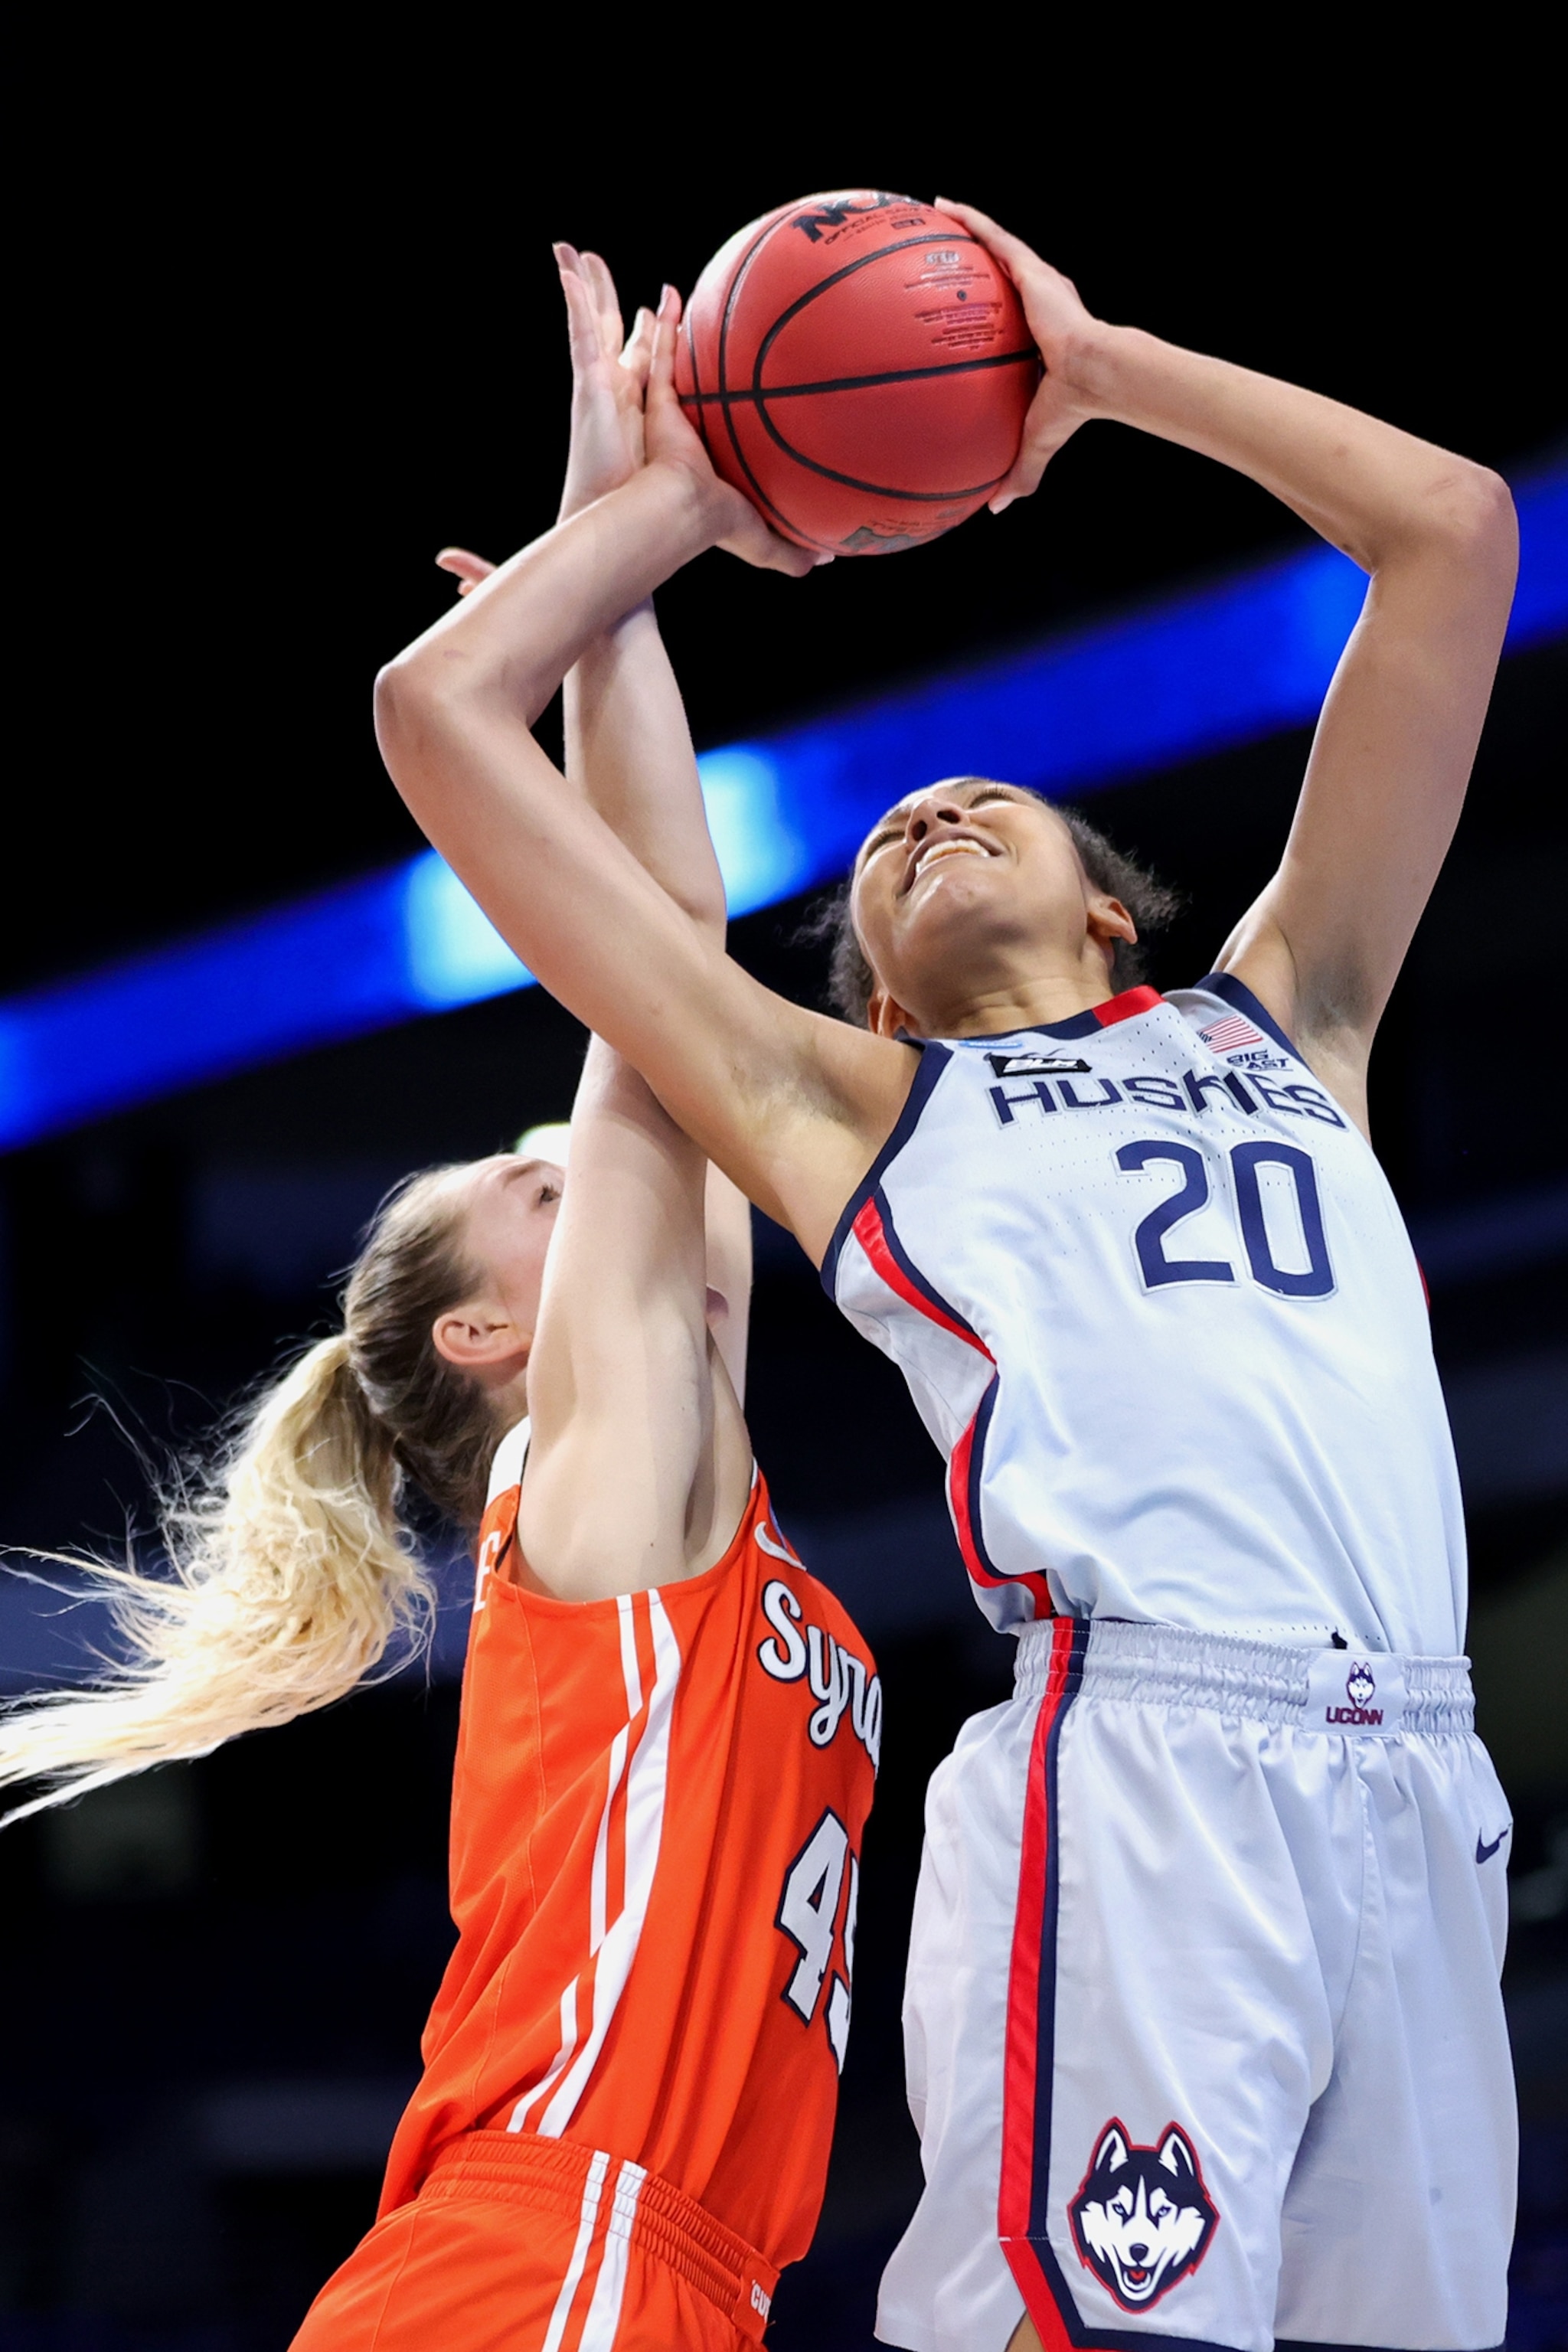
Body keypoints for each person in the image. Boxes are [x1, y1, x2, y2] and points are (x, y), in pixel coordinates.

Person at [373, 202, 1520, 2352]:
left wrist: (1089, 370)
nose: (929, 819)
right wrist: (667, 516)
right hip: (1149, 1759)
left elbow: (1451, 534)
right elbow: (441, 720)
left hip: (1425, 1786)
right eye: (889, 843)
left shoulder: (1299, 1014)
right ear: (873, 1008)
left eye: (986, 805)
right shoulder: (857, 1116)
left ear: (1118, 923)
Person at [0, 256, 877, 2352]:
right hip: (558, 2250)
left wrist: (621, 583)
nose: (583, 1152)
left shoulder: (686, 1480)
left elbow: (675, 948)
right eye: (531, 1176)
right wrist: (633, 525)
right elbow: (655, 950)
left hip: (622, 2269)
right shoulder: (603, 1483)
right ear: (500, 1335)